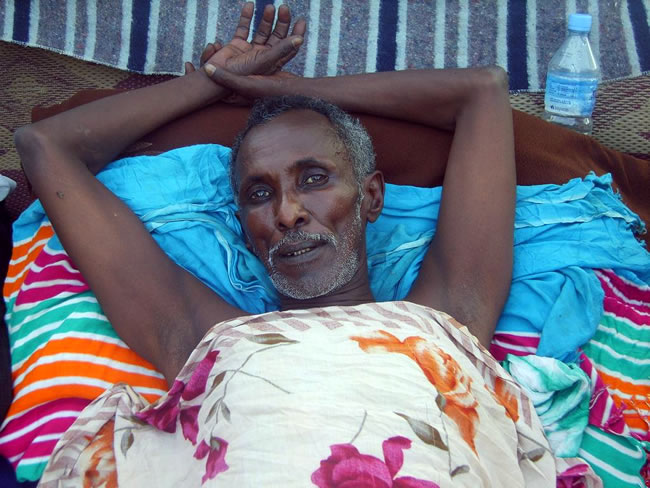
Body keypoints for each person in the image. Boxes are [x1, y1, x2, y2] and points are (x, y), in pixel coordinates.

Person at [15, 4, 562, 487]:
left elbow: (481, 91)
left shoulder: (446, 319)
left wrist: (276, 90)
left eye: (314, 178)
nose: (286, 212)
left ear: (371, 197)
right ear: (243, 227)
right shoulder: (203, 338)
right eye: (259, 193)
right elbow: (44, 145)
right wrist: (212, 82)